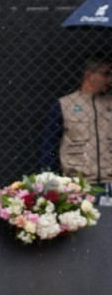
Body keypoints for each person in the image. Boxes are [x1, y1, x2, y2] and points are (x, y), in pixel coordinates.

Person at [40, 56, 112, 198]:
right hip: (78, 184)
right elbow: (50, 145)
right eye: (106, 74)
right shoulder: (64, 105)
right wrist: (50, 181)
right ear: (88, 73)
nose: (110, 80)